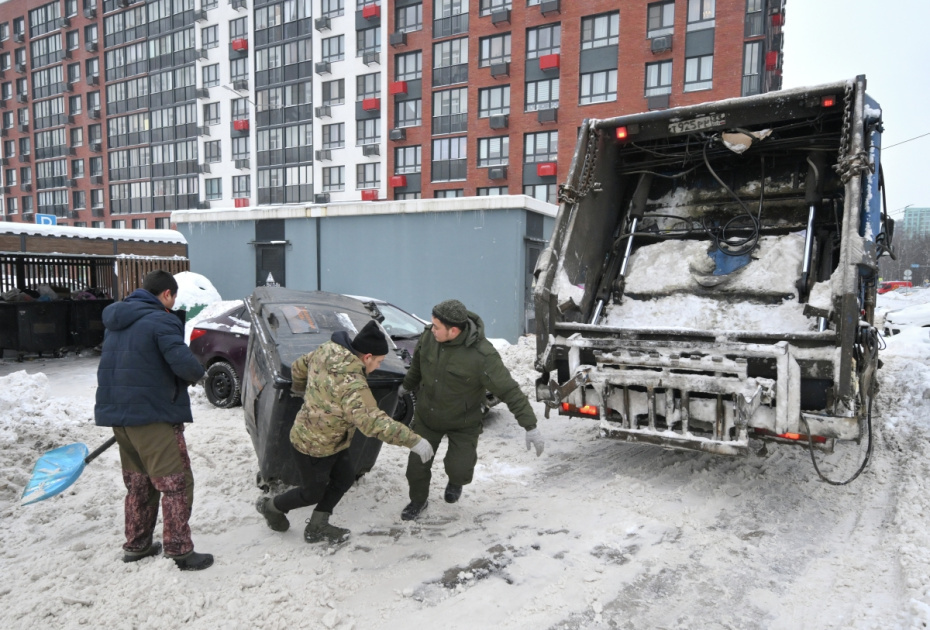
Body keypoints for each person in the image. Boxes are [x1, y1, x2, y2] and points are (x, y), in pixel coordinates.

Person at [255, 320, 435, 543]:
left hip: (334, 440)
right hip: (313, 445)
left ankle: (317, 526)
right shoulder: (352, 383)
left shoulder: (327, 350)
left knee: (344, 477)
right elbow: (373, 422)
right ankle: (271, 507)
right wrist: (414, 441)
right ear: (367, 356)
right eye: (378, 361)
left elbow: (298, 367)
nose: (378, 367)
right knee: (313, 493)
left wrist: (303, 391)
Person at [95, 269, 213, 571]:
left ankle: (137, 545)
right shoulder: (161, 319)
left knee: (139, 485)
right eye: (173, 299)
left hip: (121, 418)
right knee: (176, 484)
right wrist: (200, 374)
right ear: (167, 295)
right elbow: (182, 362)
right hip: (152, 416)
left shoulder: (117, 321)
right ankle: (179, 550)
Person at [399, 299, 545, 521]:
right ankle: (418, 501)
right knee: (416, 469)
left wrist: (530, 425)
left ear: (454, 330)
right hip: (427, 417)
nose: (431, 329)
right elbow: (418, 366)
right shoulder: (430, 337)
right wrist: (406, 387)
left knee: (460, 468)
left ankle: (456, 481)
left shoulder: (482, 356)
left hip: (463, 422)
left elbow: (509, 390)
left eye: (437, 326)